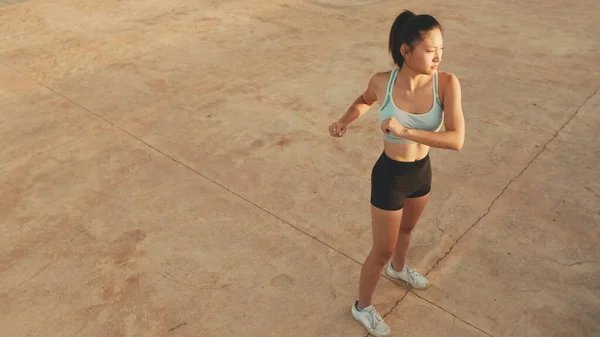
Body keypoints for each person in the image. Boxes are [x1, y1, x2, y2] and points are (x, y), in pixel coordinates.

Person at [328, 9, 465, 337]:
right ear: (406, 51)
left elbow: (456, 139)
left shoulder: (446, 83)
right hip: (390, 175)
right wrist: (345, 120)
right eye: (430, 50)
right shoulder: (382, 82)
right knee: (382, 250)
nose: (438, 57)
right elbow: (364, 100)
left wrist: (406, 132)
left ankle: (399, 270)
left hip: (422, 171)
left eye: (441, 49)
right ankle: (362, 306)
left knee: (408, 230)